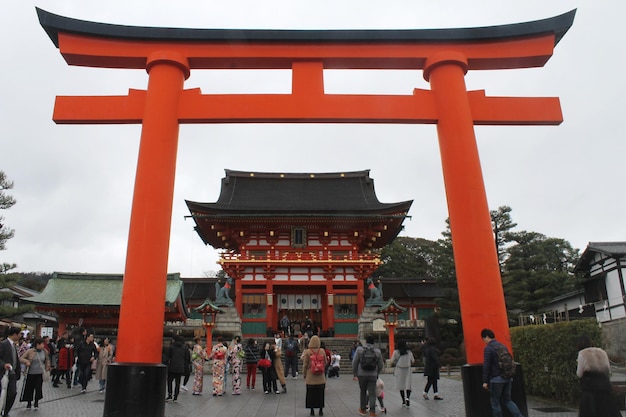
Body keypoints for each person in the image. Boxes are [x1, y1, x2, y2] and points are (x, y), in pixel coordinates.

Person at [481, 328, 524, 417]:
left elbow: (486, 365)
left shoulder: (488, 348)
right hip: (508, 377)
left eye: (483, 338)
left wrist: (485, 381)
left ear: (487, 337)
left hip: (496, 379)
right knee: (508, 400)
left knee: (495, 402)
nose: (484, 341)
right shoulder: (502, 346)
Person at [576, 334, 621, 417]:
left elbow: (579, 373)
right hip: (605, 388)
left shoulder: (582, 354)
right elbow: (608, 369)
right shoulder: (602, 352)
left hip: (590, 391)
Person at [353, 335, 384, 417]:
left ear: (366, 342)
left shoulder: (360, 349)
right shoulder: (377, 351)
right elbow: (381, 364)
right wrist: (377, 372)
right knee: (372, 393)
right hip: (373, 374)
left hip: (361, 374)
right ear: (374, 342)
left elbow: (355, 362)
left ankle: (363, 409)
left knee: (363, 392)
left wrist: (355, 373)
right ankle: (372, 412)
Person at [19, 337, 51, 410]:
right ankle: (29, 402)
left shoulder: (44, 351)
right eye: (42, 344)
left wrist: (47, 366)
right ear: (37, 344)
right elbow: (21, 358)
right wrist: (26, 362)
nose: (43, 345)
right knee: (29, 388)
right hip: (31, 373)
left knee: (38, 388)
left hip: (40, 373)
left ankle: (36, 402)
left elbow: (47, 359)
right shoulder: (30, 351)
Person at [302, 335, 326, 416]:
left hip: (310, 377)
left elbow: (305, 364)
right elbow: (325, 362)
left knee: (310, 394)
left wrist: (304, 374)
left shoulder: (308, 351)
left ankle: (312, 411)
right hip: (321, 378)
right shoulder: (322, 351)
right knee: (320, 394)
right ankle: (320, 410)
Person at [0, 327, 21, 417]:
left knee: (13, 393)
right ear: (15, 334)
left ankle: (6, 411)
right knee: (3, 392)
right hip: (4, 373)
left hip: (12, 373)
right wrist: (4, 364)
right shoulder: (3, 344)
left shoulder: (14, 345)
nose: (20, 336)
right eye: (19, 334)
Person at [390, 339, 415, 406]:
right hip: (408, 369)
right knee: (408, 385)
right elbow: (413, 360)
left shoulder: (396, 352)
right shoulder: (409, 352)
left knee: (401, 385)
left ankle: (403, 401)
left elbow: (392, 361)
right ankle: (408, 398)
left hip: (399, 369)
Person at [165, 335, 190, 402]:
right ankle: (175, 397)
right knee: (177, 382)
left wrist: (166, 364)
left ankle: (170, 394)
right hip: (180, 367)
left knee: (169, 381)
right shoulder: (185, 348)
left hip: (172, 366)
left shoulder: (171, 347)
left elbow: (167, 357)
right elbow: (187, 358)